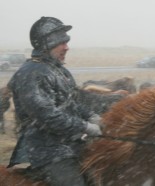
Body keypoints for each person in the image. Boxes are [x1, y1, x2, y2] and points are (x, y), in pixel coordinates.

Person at [7, 16, 102, 186]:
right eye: (61, 42)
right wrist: (84, 127)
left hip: (71, 145)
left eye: (66, 42)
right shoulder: (31, 74)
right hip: (47, 151)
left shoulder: (59, 71)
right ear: (46, 45)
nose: (67, 47)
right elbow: (46, 116)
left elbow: (71, 104)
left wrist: (93, 116)